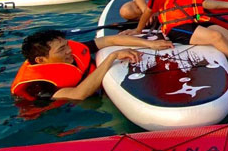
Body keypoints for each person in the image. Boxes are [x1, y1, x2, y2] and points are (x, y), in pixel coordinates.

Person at [11, 29, 173, 101]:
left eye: (67, 45)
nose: (69, 51)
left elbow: (109, 40)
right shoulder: (39, 85)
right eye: (62, 49)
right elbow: (78, 95)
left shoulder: (68, 52)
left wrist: (149, 44)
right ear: (41, 60)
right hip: (60, 115)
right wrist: (113, 57)